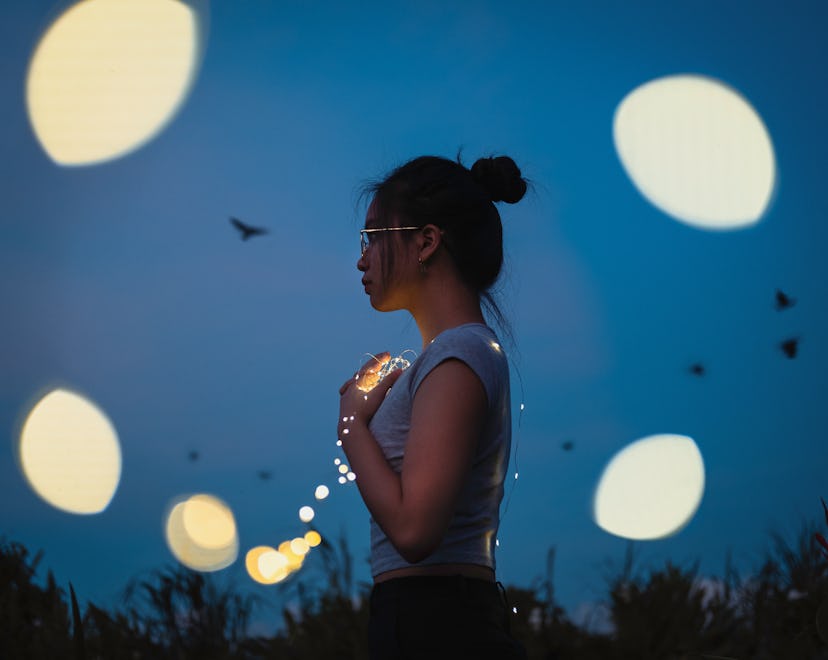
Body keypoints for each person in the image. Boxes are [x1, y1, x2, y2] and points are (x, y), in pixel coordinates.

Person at [337, 154, 529, 659]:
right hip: (430, 615)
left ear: (426, 241)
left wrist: (352, 423)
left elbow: (415, 530)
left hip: (439, 624)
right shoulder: (449, 357)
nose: (362, 258)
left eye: (374, 237)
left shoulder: (458, 355)